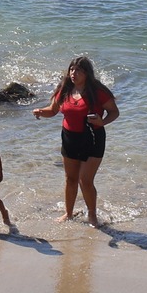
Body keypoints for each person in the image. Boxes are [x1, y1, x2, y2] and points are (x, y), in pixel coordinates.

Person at [33, 56, 117, 226]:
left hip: (93, 138)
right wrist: (41, 111)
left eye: (78, 70)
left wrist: (102, 122)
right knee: (70, 179)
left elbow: (114, 112)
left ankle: (92, 215)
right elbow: (53, 110)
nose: (74, 73)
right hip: (69, 138)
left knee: (85, 180)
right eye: (72, 69)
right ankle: (68, 213)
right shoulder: (64, 89)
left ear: (87, 73)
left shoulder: (97, 91)